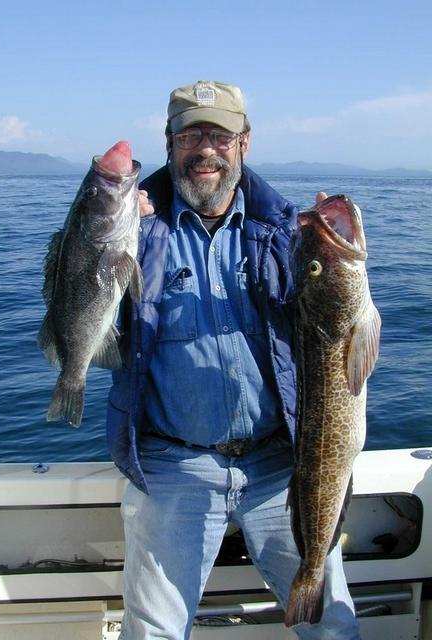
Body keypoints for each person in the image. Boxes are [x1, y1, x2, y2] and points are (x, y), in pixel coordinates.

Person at [106, 80, 360, 640]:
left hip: (279, 463)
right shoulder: (136, 228)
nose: (205, 149)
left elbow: (333, 327)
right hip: (175, 464)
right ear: (169, 143)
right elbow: (77, 304)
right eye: (190, 134)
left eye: (219, 136)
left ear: (244, 143)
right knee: (151, 631)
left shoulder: (284, 232)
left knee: (332, 625)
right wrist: (106, 232)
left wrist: (325, 248)